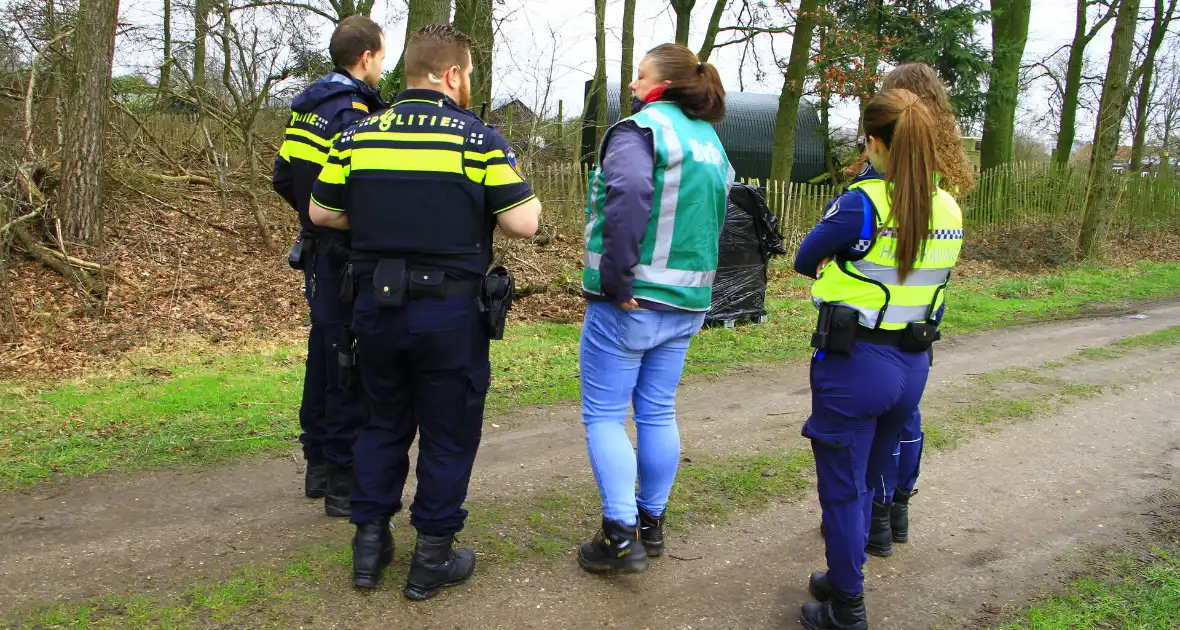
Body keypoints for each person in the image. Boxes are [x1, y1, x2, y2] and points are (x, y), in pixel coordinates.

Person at [308, 23, 542, 601]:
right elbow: (524, 222)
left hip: (375, 307)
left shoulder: (358, 135)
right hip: (450, 317)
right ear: (453, 74)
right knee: (447, 433)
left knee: (381, 421)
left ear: (409, 70)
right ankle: (432, 557)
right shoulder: (477, 139)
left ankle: (370, 546)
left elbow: (321, 213)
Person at [793, 88, 964, 629]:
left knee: (843, 491)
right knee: (869, 479)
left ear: (872, 142)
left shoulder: (861, 202)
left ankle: (847, 606)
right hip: (913, 365)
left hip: (855, 363)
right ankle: (843, 574)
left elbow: (804, 259)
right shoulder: (948, 206)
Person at [577, 43, 733, 574]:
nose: (634, 85)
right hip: (688, 301)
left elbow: (630, 191)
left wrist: (617, 277)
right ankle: (652, 522)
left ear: (662, 83)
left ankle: (620, 536)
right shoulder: (709, 139)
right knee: (658, 412)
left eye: (640, 75)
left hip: (631, 300)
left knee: (603, 414)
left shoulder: (639, 130)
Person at [850, 63, 976, 558]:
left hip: (879, 306)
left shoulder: (886, 162)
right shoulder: (943, 168)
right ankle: (897, 506)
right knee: (908, 410)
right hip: (925, 297)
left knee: (882, 415)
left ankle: (876, 513)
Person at [272, 15, 386, 517]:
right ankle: (342, 479)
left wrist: (309, 217)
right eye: (382, 57)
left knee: (323, 354)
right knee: (346, 363)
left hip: (317, 252)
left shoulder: (308, 109)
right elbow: (364, 190)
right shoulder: (352, 114)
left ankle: (317, 463)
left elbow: (281, 177)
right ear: (365, 58)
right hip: (344, 256)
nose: (384, 66)